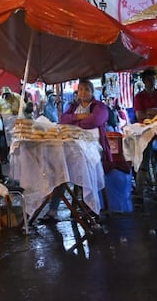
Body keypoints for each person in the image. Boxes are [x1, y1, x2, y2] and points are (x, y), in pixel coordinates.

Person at [42, 78, 110, 221]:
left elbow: (95, 121)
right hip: (73, 145)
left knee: (85, 168)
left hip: (93, 147)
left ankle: (90, 207)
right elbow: (63, 120)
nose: (83, 92)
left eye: (87, 89)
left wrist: (75, 123)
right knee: (61, 170)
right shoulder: (73, 106)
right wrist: (79, 116)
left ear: (92, 92)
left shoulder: (100, 107)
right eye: (81, 89)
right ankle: (53, 210)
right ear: (77, 92)